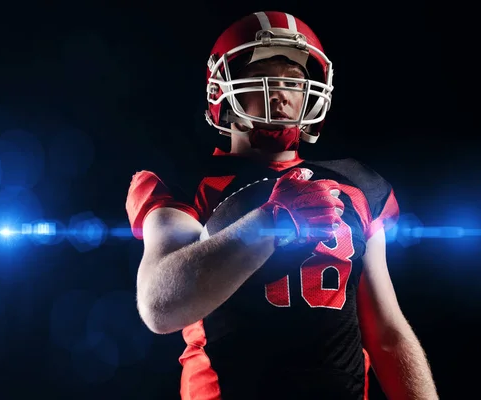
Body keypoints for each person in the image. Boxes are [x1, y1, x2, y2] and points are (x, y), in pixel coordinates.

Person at [125, 11, 437, 400]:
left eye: (293, 82)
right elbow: (160, 306)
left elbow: (387, 334)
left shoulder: (357, 184)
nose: (282, 94)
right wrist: (271, 220)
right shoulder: (187, 179)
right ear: (223, 89)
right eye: (264, 81)